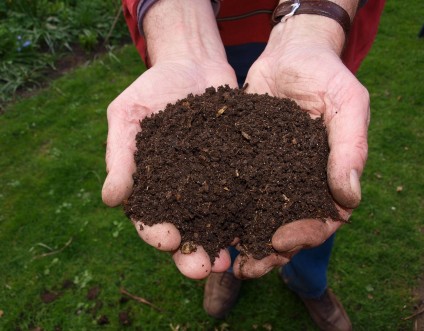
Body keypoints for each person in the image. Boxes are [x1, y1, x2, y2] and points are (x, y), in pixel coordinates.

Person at [102, 0, 386, 329]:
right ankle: (227, 264)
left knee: (314, 206)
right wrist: (182, 34)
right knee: (230, 216)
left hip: (317, 31)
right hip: (212, 29)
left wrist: (313, 24)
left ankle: (309, 284)